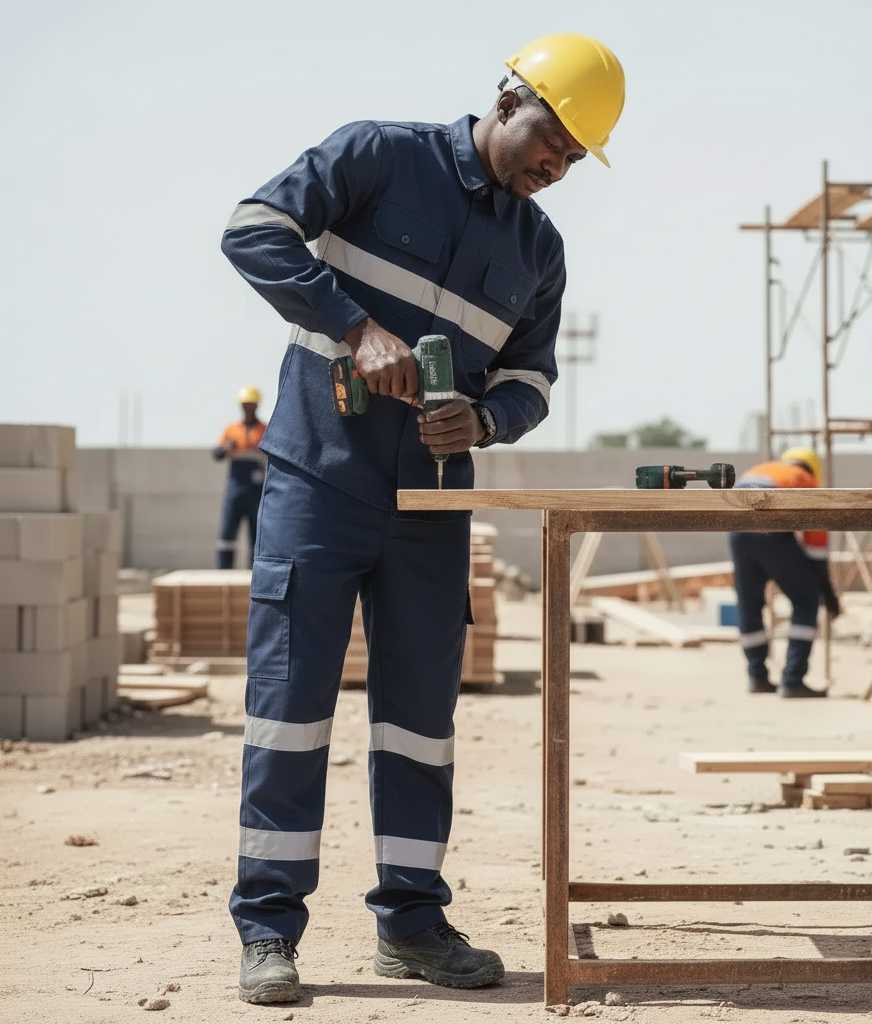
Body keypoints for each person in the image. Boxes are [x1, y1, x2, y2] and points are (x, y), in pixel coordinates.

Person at [219, 34, 625, 1004]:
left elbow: (531, 379)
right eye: (550, 141)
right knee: (291, 715)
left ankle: (410, 922)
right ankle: (268, 930)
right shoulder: (377, 156)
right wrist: (353, 328)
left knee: (418, 727)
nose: (553, 168)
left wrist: (481, 416)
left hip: (432, 506)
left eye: (571, 160)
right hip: (317, 483)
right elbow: (251, 228)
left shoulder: (538, 249)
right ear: (507, 98)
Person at [728, 447, 841, 698]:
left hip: (736, 533)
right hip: (772, 534)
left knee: (749, 605)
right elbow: (816, 546)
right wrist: (827, 593)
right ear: (813, 468)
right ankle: (792, 680)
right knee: (805, 601)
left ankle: (757, 677)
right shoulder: (804, 480)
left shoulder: (759, 470)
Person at [212, 386, 267, 569]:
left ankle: (255, 576)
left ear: (257, 406)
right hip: (235, 489)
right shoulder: (232, 430)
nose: (248, 408)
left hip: (257, 491)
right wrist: (227, 447)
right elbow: (217, 454)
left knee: (256, 535)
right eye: (245, 405)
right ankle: (223, 573)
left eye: (251, 405)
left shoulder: (264, 430)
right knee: (227, 534)